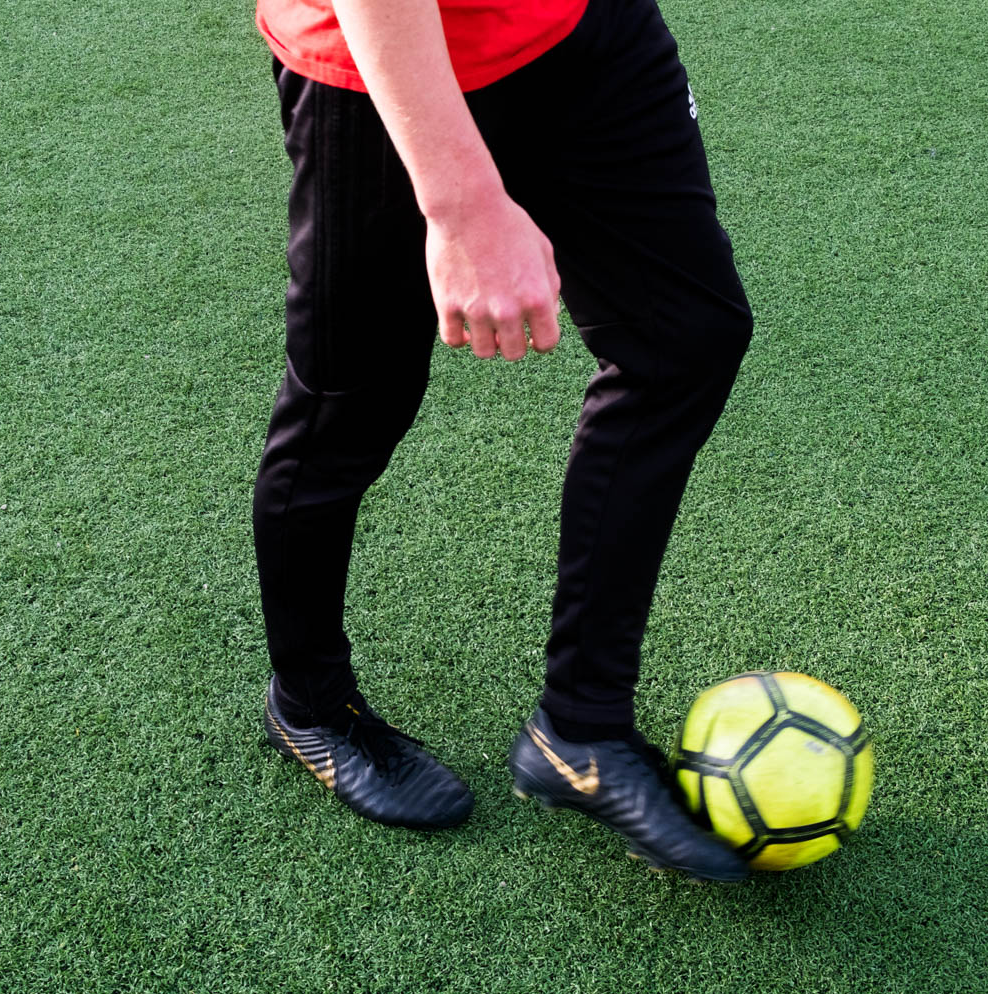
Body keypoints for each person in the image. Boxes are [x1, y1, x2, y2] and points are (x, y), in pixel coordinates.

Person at [253, 0, 753, 882]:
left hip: (578, 28)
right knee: (347, 410)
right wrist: (465, 206)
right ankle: (310, 703)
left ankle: (582, 726)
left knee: (683, 340)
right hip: (384, 68)